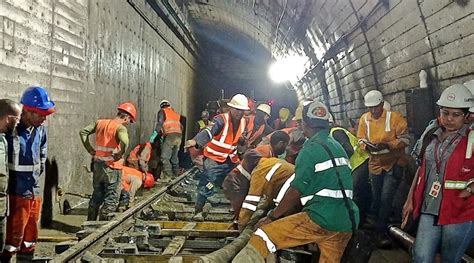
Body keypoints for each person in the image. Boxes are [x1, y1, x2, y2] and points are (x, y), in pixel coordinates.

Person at [233, 101, 358, 263]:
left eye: (300, 122)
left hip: (321, 218)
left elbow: (295, 191)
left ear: (305, 123)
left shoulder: (310, 149)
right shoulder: (336, 145)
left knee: (263, 236)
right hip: (347, 221)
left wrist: (271, 217)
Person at [402, 84, 474, 263]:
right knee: (421, 257)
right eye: (445, 112)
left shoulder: (471, 139)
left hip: (459, 210)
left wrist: (472, 188)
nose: (449, 119)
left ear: (466, 116)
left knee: (450, 259)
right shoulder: (431, 135)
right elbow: (421, 169)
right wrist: (410, 199)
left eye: (456, 114)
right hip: (430, 207)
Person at [2, 87, 55, 261]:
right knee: (13, 234)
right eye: (40, 114)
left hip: (33, 190)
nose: (44, 118)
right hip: (15, 192)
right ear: (28, 112)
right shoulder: (10, 129)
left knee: (30, 233)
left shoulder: (40, 130)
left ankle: (27, 259)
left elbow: (42, 154)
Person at [357, 90, 409, 248]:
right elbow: (360, 139)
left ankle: (381, 232)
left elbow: (406, 139)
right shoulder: (364, 119)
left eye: (376, 107)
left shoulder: (395, 118)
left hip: (393, 163)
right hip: (375, 164)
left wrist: (388, 144)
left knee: (386, 198)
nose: (373, 111)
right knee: (377, 197)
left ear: (381, 104)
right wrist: (366, 145)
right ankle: (377, 225)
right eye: (370, 108)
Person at [185, 94, 249, 221]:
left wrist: (242, 141)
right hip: (215, 159)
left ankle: (238, 211)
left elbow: (235, 138)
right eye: (237, 110)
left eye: (242, 110)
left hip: (231, 159)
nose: (239, 113)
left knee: (241, 181)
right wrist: (196, 141)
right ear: (231, 108)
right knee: (208, 183)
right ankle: (199, 209)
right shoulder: (221, 119)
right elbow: (209, 130)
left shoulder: (243, 122)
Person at [80, 102, 136, 221]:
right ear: (126, 117)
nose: (128, 123)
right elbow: (125, 141)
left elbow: (83, 132)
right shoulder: (120, 128)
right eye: (129, 121)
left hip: (98, 166)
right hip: (112, 167)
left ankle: (89, 223)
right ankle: (101, 228)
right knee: (111, 198)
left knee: (97, 196)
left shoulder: (100, 123)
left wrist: (89, 149)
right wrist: (120, 154)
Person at [329, 114, 370, 225]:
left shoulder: (335, 132)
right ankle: (361, 219)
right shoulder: (333, 133)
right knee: (360, 192)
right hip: (358, 163)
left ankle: (358, 222)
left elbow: (348, 149)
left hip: (359, 162)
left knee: (354, 193)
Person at [237, 156, 295, 229]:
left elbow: (251, 203)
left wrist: (242, 224)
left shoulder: (259, 171)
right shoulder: (271, 161)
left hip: (292, 189)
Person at [0, 100, 21, 254]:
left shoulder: (3, 140)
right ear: (8, 118)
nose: (18, 122)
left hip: (1, 208)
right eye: (17, 118)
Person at [222, 150, 262, 226]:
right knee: (239, 203)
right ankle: (238, 220)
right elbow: (238, 200)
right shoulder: (234, 177)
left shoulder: (246, 170)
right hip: (233, 185)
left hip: (239, 183)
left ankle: (239, 218)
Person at [154, 100, 183, 179]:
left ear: (161, 106)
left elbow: (160, 123)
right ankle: (176, 175)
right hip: (179, 136)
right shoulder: (175, 113)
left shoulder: (162, 111)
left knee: (164, 157)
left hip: (170, 136)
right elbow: (181, 126)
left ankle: (168, 177)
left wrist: (154, 135)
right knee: (174, 157)